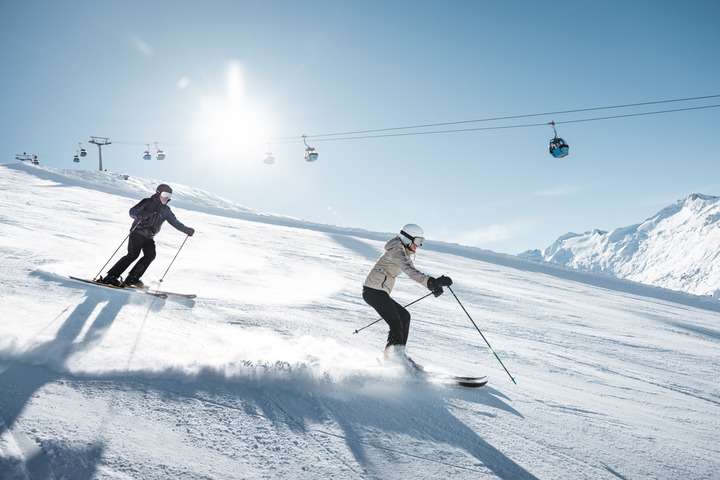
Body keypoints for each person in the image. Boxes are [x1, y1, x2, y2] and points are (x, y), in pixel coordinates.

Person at [362, 223, 453, 370]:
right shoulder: (396, 250)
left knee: (404, 316)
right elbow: (409, 270)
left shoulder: (402, 251)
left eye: (421, 242)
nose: (419, 246)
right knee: (396, 324)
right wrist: (431, 282)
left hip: (378, 291)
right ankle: (391, 360)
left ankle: (398, 356)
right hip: (373, 291)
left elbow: (414, 272)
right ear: (406, 238)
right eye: (417, 241)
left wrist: (434, 285)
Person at [100, 184, 195, 288]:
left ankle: (132, 278)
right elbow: (132, 212)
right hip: (137, 233)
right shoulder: (147, 202)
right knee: (133, 255)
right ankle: (111, 277)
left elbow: (175, 222)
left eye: (169, 196)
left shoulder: (166, 210)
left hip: (149, 237)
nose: (166, 197)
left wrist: (186, 229)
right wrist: (139, 215)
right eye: (164, 194)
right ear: (158, 193)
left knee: (150, 255)